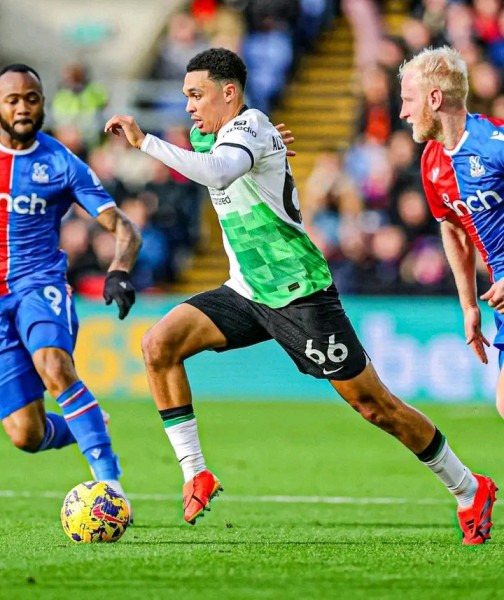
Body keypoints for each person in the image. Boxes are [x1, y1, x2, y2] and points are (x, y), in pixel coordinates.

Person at [105, 47, 496, 545]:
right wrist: (270, 145)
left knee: (376, 407)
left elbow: (220, 170)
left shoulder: (250, 127)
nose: (189, 106)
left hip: (299, 292)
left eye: (196, 95)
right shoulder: (224, 133)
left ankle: (469, 488)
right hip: (247, 290)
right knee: (158, 345)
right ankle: (195, 472)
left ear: (230, 93)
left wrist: (146, 142)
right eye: (186, 96)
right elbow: (217, 154)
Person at [0, 64, 141, 503]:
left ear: (44, 104)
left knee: (55, 366)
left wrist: (118, 270)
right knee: (25, 434)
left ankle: (110, 483)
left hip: (38, 285)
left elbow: (124, 228)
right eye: (12, 100)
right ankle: (89, 421)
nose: (22, 108)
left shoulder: (60, 162)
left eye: (31, 99)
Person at [399, 48, 504, 410]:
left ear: (434, 98)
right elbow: (455, 231)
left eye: (409, 100)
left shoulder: (495, 145)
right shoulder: (432, 161)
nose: (403, 112)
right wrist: (469, 305)